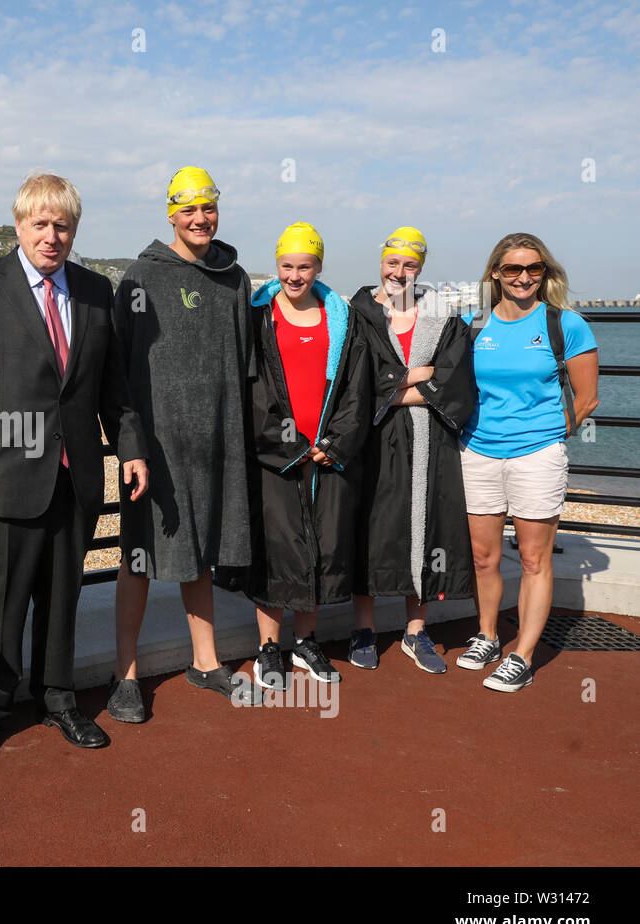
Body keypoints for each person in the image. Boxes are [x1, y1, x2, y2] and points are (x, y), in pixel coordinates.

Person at [0, 173, 149, 766]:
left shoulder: (94, 290)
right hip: (2, 474)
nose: (52, 236)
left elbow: (113, 386)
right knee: (0, 600)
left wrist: (129, 447)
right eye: (41, 224)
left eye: (63, 226)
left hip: (76, 473)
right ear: (18, 224)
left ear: (74, 230)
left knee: (63, 595)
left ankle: (59, 699)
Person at [109, 167, 257, 721]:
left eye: (209, 209)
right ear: (171, 214)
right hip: (154, 451)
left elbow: (247, 369)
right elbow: (118, 374)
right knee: (138, 557)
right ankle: (124, 674)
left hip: (219, 442)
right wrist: (130, 445)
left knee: (200, 554)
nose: (200, 220)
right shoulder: (141, 277)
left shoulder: (235, 278)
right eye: (189, 210)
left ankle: (206, 661)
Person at [458, 233, 599, 691]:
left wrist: (549, 436)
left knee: (535, 559)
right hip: (477, 453)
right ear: (495, 273)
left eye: (533, 269)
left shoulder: (566, 324)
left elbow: (587, 398)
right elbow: (451, 383)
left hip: (537, 457)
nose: (523, 277)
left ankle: (521, 654)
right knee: (484, 557)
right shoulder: (472, 323)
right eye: (513, 269)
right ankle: (486, 635)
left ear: (545, 273)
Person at [246, 222, 371, 689]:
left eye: (305, 266)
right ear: (276, 266)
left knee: (319, 544)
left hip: (325, 452)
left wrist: (335, 443)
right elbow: (251, 388)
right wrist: (287, 446)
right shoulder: (258, 316)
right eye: (286, 266)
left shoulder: (341, 317)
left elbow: (356, 388)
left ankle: (305, 641)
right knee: (275, 548)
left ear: (318, 267)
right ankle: (268, 647)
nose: (295, 276)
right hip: (275, 455)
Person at [349, 228, 476, 673]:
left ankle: (416, 630)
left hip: (429, 438)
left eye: (409, 265)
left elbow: (455, 379)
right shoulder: (357, 313)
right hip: (371, 438)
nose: (399, 273)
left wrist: (394, 383)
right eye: (392, 263)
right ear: (380, 262)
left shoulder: (443, 316)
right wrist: (412, 375)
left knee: (425, 524)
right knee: (369, 522)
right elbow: (353, 382)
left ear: (420, 268)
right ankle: (363, 628)